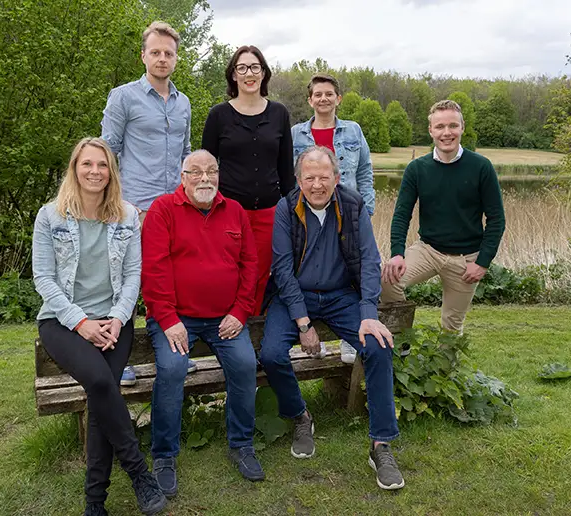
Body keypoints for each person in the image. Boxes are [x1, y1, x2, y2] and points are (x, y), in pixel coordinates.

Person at [32, 137, 166, 516]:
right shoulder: (50, 216)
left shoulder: (126, 215)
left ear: (111, 172)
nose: (95, 172)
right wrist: (81, 322)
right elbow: (44, 278)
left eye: (102, 165)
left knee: (101, 395)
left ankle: (95, 503)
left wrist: (119, 318)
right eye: (87, 164)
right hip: (61, 321)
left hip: (114, 321)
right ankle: (139, 472)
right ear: (75, 169)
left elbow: (132, 276)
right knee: (101, 383)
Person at [259, 146, 405, 491]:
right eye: (309, 177)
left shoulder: (353, 206)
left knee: (379, 348)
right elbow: (281, 269)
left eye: (324, 177)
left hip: (342, 296)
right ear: (299, 180)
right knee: (271, 355)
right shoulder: (286, 207)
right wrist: (303, 323)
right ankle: (300, 417)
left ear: (336, 179)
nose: (317, 184)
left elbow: (370, 260)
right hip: (295, 295)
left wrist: (369, 314)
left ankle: (381, 445)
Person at [141, 150, 264, 495]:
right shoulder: (163, 209)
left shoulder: (235, 211)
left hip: (225, 319)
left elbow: (250, 265)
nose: (205, 178)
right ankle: (164, 455)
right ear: (183, 177)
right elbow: (153, 269)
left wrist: (240, 312)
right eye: (196, 172)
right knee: (172, 368)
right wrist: (167, 319)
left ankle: (241, 444)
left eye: (211, 171)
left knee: (244, 364)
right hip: (174, 319)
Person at [100, 21, 196, 385]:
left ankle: (172, 353)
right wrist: (115, 205)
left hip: (175, 208)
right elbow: (108, 151)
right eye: (155, 52)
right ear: (143, 55)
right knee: (125, 284)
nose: (161, 58)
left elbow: (187, 154)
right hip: (134, 208)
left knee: (170, 282)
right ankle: (115, 357)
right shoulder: (123, 97)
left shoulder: (184, 102)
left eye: (168, 53)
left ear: (176, 58)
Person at [381, 100, 506, 333]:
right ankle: (402, 339)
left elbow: (497, 219)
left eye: (452, 126)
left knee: (451, 329)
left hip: (466, 258)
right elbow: (401, 216)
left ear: (462, 128)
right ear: (431, 130)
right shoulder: (417, 169)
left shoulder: (481, 167)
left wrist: (482, 262)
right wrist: (397, 253)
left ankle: (446, 369)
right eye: (439, 127)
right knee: (387, 280)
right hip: (428, 250)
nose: (446, 133)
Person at [201, 45, 295, 315]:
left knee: (259, 277)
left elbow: (286, 170)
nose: (249, 73)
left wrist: (292, 210)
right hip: (228, 212)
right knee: (228, 273)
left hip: (269, 212)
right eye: (241, 68)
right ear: (233, 75)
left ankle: (252, 340)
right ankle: (226, 335)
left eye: (255, 67)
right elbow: (207, 168)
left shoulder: (279, 114)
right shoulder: (218, 115)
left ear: (264, 73)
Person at [291, 73, 375, 365]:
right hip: (312, 213)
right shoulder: (297, 134)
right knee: (317, 270)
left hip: (347, 215)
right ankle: (317, 336)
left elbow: (364, 172)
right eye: (318, 94)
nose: (323, 99)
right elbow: (294, 177)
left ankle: (351, 338)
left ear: (338, 98)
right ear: (310, 100)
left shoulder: (353, 131)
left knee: (350, 272)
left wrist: (366, 210)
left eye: (329, 94)